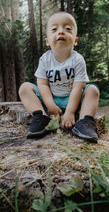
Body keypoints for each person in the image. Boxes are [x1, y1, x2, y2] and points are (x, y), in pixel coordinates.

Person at [19, 11, 99, 142]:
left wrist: (70, 112)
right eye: (54, 29)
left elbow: (78, 88)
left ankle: (84, 122)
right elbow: (43, 85)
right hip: (49, 99)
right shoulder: (45, 59)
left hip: (73, 99)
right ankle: (41, 117)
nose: (61, 32)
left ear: (75, 40)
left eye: (67, 29)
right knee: (24, 88)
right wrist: (50, 106)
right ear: (47, 41)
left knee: (92, 90)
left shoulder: (78, 60)